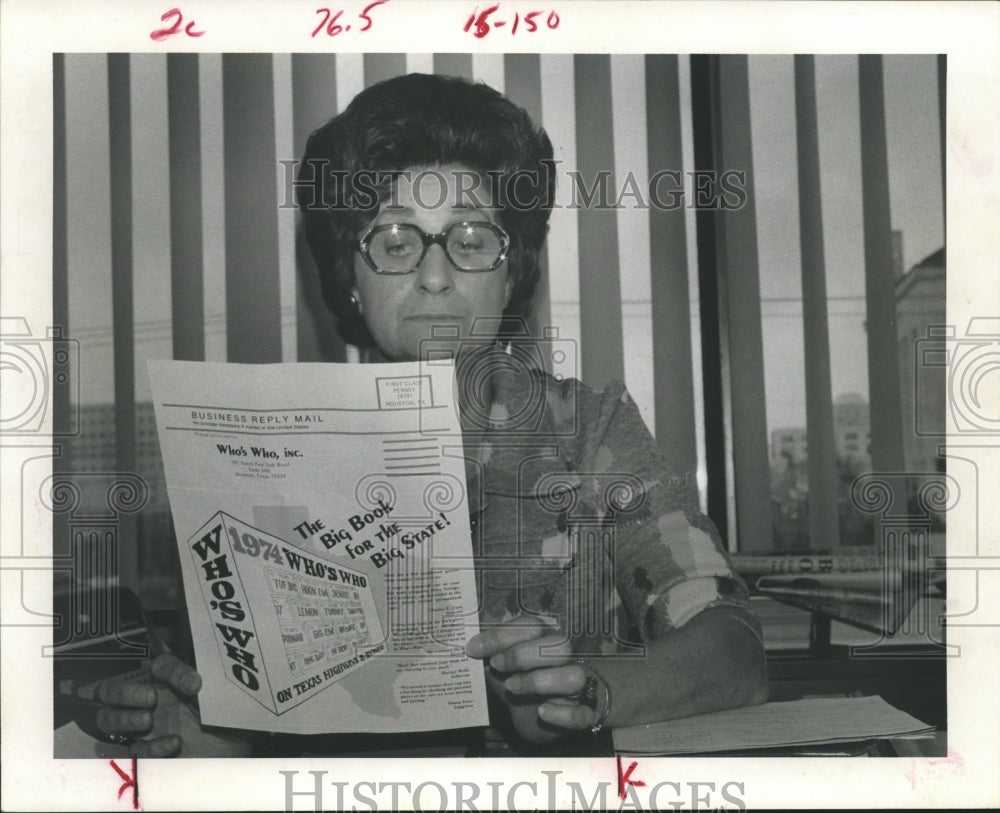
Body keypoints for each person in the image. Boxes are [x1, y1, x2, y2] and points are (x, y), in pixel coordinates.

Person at [93, 73, 767, 756]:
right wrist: (188, 730)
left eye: (471, 240)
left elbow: (732, 648)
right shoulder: (261, 451)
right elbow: (250, 717)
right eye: (394, 240)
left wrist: (587, 687)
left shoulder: (588, 430)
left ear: (513, 271)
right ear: (350, 280)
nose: (435, 275)